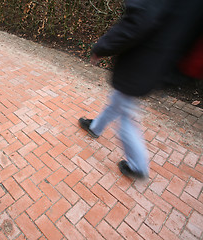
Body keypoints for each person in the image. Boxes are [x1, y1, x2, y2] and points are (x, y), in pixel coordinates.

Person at [79, 0, 203, 179]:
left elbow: (138, 21)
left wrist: (102, 47)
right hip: (162, 61)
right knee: (120, 99)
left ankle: (138, 166)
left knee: (126, 116)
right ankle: (96, 127)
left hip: (143, 59)